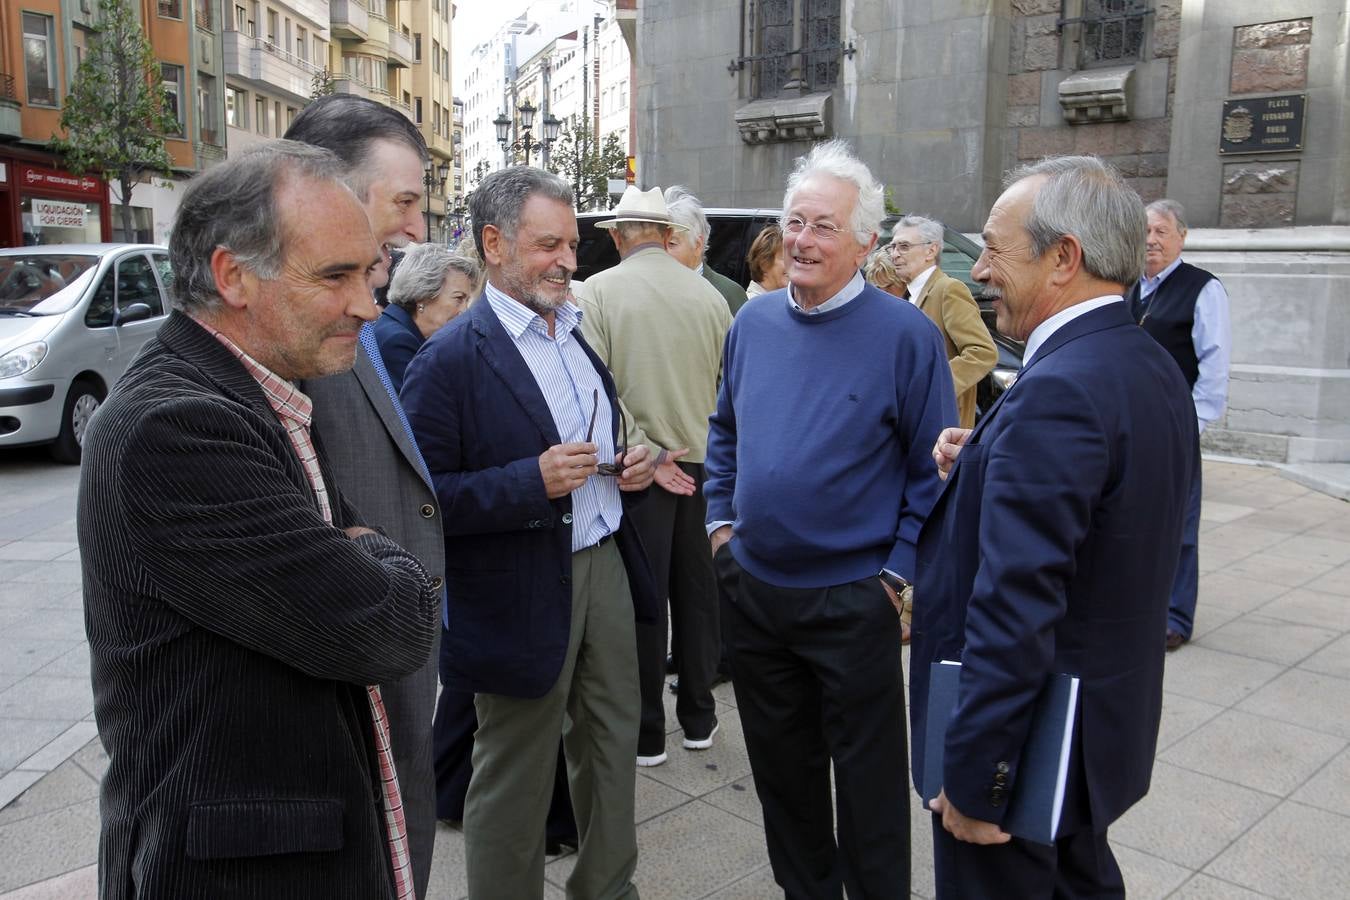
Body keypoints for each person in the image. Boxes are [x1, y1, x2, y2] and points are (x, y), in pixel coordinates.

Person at [78, 141, 440, 899]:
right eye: (335, 276)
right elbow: (387, 628)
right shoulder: (176, 428)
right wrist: (388, 564)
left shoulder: (261, 390)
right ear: (232, 276)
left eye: (368, 275)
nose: (369, 307)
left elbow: (353, 565)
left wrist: (361, 551)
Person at [913, 156, 1197, 899]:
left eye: (997, 249)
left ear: (1064, 256)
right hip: (1095, 742)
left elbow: (1016, 606)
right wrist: (988, 460)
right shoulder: (1142, 362)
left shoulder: (1062, 390)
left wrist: (976, 782)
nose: (981, 271)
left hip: (1028, 763)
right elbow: (1109, 513)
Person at [704, 138, 956, 899]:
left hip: (855, 597)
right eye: (794, 222)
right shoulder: (752, 325)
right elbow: (724, 433)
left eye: (823, 226)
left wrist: (897, 573)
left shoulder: (907, 336)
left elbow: (932, 473)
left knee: (872, 787)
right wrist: (721, 527)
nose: (802, 241)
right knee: (785, 778)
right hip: (756, 590)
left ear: (866, 241)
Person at [401, 165, 659, 900]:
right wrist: (528, 481)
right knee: (514, 772)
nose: (570, 262)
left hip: (601, 562)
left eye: (573, 244)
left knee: (612, 749)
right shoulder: (448, 360)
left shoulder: (574, 334)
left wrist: (629, 464)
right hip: (515, 592)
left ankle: (608, 888)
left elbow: (595, 450)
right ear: (494, 243)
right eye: (550, 245)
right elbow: (422, 504)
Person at [283, 95, 447, 897]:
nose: (417, 229)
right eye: (405, 201)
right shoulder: (290, 336)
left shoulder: (360, 317)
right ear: (326, 190)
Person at [575, 184, 733, 767]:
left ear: (617, 236)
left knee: (645, 602)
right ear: (667, 237)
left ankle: (647, 734)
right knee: (698, 596)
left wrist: (650, 452)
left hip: (641, 469)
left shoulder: (597, 292)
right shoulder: (709, 297)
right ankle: (699, 717)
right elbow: (726, 386)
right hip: (704, 464)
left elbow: (594, 392)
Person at [1128, 198, 1231, 651]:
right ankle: (1135, 603)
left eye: (1161, 232)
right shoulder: (1130, 288)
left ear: (1181, 237)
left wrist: (1193, 424)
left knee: (1179, 526)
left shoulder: (1203, 289)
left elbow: (1214, 365)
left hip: (1175, 428)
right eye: (1146, 232)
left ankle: (1175, 616)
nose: (1151, 241)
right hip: (1130, 425)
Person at [888, 215, 998, 429]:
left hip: (942, 425)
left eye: (904, 246)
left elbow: (983, 352)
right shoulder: (909, 294)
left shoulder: (948, 289)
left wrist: (934, 387)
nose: (894, 254)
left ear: (931, 250)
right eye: (892, 247)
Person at [373, 243, 478, 390]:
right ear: (424, 295)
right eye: (459, 298)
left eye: (467, 300)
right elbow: (421, 404)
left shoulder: (399, 328)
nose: (465, 310)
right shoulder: (398, 341)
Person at [663, 185, 750, 314]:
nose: (662, 251)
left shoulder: (728, 294)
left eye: (672, 243)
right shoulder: (650, 289)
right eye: (658, 243)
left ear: (698, 245)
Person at [745, 224, 788, 299]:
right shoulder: (752, 305)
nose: (793, 265)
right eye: (785, 258)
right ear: (764, 264)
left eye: (794, 258)